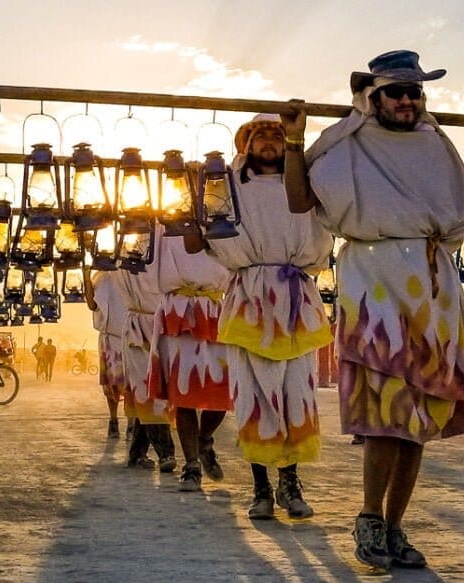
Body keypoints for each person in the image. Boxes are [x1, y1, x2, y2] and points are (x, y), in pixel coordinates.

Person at [284, 50, 464, 570]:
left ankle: (397, 527)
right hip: (374, 285)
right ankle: (368, 518)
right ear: (372, 97)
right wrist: (294, 140)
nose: (407, 100)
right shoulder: (344, 146)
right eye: (396, 92)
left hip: (433, 287)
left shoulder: (434, 145)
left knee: (418, 422)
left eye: (415, 92)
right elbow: (297, 199)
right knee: (385, 418)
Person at [189, 113, 330, 515]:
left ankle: (290, 483)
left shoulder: (308, 188)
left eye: (276, 132)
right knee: (253, 396)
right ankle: (261, 489)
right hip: (248, 297)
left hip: (297, 297)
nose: (268, 138)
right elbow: (201, 240)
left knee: (296, 395)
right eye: (258, 133)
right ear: (244, 146)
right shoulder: (223, 188)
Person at [151, 207, 232, 493]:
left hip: (215, 310)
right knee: (181, 394)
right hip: (177, 312)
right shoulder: (162, 221)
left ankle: (204, 439)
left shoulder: (224, 217)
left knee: (222, 394)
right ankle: (192, 465)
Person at [120, 244, 177, 472]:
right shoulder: (124, 261)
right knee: (148, 394)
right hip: (140, 331)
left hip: (162, 327)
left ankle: (137, 454)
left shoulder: (167, 256)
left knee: (152, 394)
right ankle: (166, 453)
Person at [86, 269, 127, 439]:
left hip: (131, 335)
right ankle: (113, 420)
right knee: (111, 385)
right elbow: (92, 305)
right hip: (109, 338)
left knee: (131, 384)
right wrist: (86, 275)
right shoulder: (101, 276)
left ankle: (132, 422)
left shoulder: (130, 272)